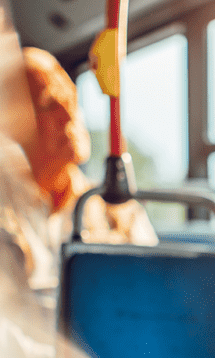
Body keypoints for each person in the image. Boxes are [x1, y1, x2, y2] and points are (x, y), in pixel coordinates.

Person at [21, 47, 157, 258]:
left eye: (70, 98)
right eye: (48, 104)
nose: (68, 115)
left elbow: (152, 283)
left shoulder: (118, 212)